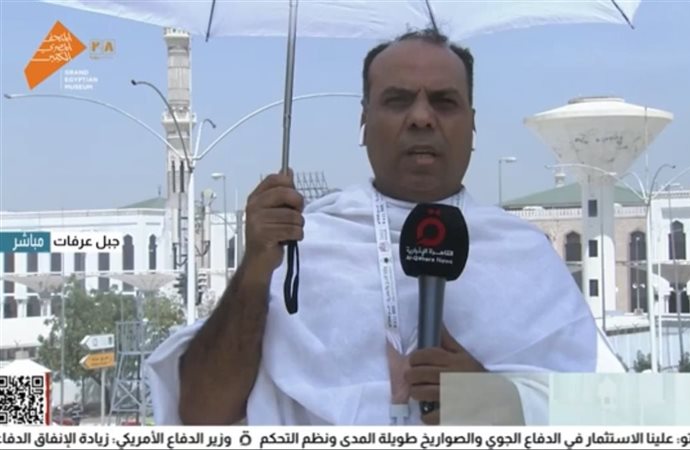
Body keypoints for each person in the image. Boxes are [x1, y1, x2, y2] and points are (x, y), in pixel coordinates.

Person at [147, 27, 621, 427]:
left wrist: (492, 399)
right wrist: (254, 271)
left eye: (444, 102)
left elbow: (607, 414)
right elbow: (202, 416)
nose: (421, 118)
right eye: (397, 101)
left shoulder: (525, 255)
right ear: (363, 120)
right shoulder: (299, 247)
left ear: (472, 125)